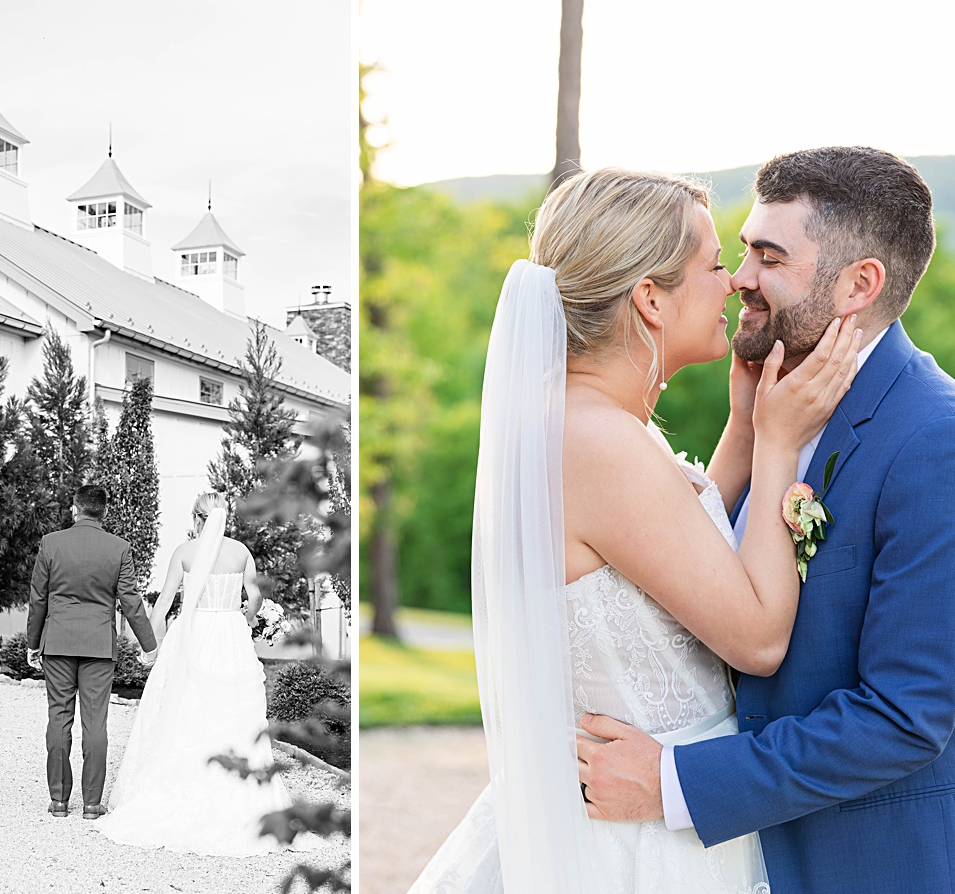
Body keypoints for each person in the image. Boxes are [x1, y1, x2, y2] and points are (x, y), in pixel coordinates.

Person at [408, 167, 861, 893]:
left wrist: (743, 425)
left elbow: (666, 549)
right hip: (641, 845)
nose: (734, 284)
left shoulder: (585, 426)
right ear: (649, 298)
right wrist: (779, 444)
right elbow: (758, 638)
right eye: (713, 265)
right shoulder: (600, 444)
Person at [577, 147, 955, 893]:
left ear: (859, 284)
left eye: (767, 257)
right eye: (742, 251)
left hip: (859, 866)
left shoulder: (932, 439)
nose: (738, 279)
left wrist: (676, 782)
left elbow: (908, 714)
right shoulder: (770, 405)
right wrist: (749, 431)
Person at [93, 492, 316, 855]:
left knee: (184, 706)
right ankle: (237, 781)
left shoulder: (184, 552)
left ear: (197, 518)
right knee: (234, 710)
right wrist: (243, 617)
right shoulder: (241, 551)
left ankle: (184, 775)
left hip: (193, 633)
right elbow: (255, 597)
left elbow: (164, 603)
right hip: (229, 634)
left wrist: (150, 646)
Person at [26, 483, 158, 820]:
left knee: (59, 717)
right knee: (96, 722)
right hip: (99, 645)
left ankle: (58, 801)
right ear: (105, 511)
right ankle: (91, 804)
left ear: (75, 508)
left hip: (57, 643)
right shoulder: (119, 548)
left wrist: (32, 641)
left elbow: (38, 598)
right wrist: (149, 645)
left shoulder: (51, 543)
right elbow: (130, 600)